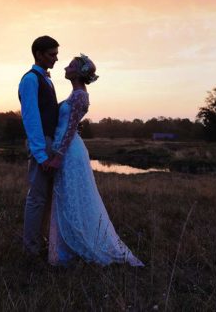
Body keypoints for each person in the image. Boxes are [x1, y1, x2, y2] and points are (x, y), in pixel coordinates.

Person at [46, 54, 143, 267]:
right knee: (66, 197)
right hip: (66, 149)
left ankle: (79, 245)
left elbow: (70, 130)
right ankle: (64, 249)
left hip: (70, 153)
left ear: (78, 72)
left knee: (72, 196)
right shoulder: (75, 94)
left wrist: (58, 156)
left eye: (70, 65)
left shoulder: (80, 95)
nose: (65, 67)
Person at [19, 35, 60, 256]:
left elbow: (47, 111)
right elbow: (31, 118)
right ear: (38, 54)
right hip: (41, 144)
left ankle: (41, 242)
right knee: (36, 198)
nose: (56, 59)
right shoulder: (30, 79)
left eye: (56, 54)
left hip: (49, 142)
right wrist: (41, 154)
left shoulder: (46, 79)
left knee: (46, 199)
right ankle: (31, 249)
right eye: (51, 54)